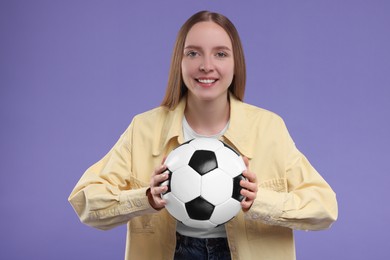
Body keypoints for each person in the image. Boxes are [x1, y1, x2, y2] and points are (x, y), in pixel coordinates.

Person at [68, 10, 338, 260]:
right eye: (193, 53)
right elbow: (84, 201)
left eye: (220, 54)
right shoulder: (144, 128)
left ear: (236, 63)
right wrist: (145, 198)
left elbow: (325, 208)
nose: (206, 66)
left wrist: (260, 201)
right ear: (179, 61)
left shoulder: (268, 128)